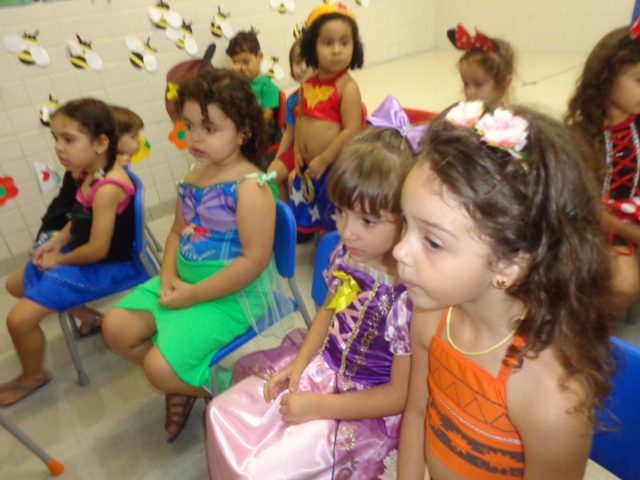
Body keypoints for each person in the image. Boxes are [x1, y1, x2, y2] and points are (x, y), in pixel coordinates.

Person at [395, 102, 618, 479]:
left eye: (432, 241)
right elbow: (417, 414)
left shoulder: (549, 396)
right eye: (405, 221)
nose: (399, 251)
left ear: (509, 265)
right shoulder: (432, 318)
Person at [207, 122, 417, 480]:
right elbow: (326, 313)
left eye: (368, 221)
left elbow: (399, 395)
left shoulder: (409, 297)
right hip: (321, 368)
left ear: (406, 219)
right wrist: (299, 366)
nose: (347, 231)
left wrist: (318, 406)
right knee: (221, 414)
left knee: (263, 469)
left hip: (362, 409)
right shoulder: (347, 256)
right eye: (341, 211)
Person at [102, 69, 289, 443]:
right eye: (189, 126)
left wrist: (193, 295)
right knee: (114, 327)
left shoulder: (251, 188)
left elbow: (253, 262)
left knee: (156, 369)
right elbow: (176, 232)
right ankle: (187, 381)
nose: (195, 138)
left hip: (231, 296)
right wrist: (169, 275)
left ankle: (231, 391)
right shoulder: (192, 176)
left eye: (209, 128)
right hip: (184, 283)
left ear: (243, 132)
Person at [0, 98, 148, 406]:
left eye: (68, 139)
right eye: (56, 138)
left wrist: (60, 259)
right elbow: (79, 218)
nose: (58, 148)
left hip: (107, 267)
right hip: (83, 253)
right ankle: (90, 317)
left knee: (18, 321)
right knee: (14, 284)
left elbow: (97, 250)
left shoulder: (109, 187)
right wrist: (56, 242)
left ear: (100, 144)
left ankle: (33, 375)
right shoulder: (88, 173)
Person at [565, 20, 640, 310]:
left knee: (624, 285)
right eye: (638, 80)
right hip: (581, 224)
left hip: (623, 228)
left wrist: (611, 223)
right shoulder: (579, 133)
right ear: (606, 78)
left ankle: (595, 327)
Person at [290, 2, 364, 240]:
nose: (336, 51)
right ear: (312, 46)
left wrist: (324, 159)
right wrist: (298, 150)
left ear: (354, 46)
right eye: (328, 43)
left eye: (344, 43)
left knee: (332, 212)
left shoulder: (347, 87)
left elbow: (351, 130)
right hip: (309, 166)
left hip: (332, 166)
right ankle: (309, 235)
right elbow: (301, 118)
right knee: (309, 206)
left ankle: (333, 244)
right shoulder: (307, 84)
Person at [268, 38, 313, 202]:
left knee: (294, 179)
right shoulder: (292, 100)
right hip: (296, 150)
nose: (303, 67)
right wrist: (278, 157)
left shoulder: (327, 96)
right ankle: (287, 214)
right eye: (298, 62)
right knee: (272, 174)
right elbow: (288, 133)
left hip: (318, 152)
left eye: (309, 62)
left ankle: (302, 216)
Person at [226, 28, 280, 138]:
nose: (242, 68)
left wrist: (248, 129)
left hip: (264, 133)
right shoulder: (239, 85)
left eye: (246, 62)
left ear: (259, 57)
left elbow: (268, 115)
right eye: (237, 63)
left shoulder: (268, 87)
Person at [447, 24, 515, 109]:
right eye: (466, 84)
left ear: (504, 83)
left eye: (478, 85)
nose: (469, 92)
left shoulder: (508, 117)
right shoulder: (461, 113)